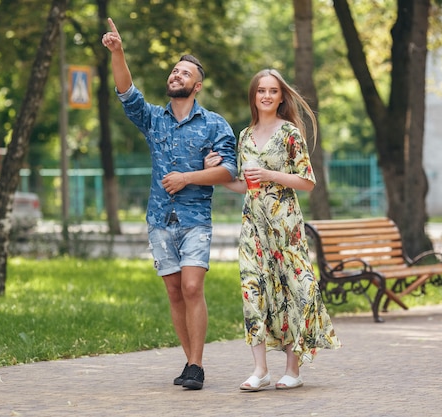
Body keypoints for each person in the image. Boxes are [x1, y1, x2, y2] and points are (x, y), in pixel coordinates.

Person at [101, 18, 238, 390]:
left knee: (193, 287)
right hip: (160, 219)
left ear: (197, 85)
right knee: (175, 291)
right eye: (175, 70)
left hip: (195, 219)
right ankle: (188, 361)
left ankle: (196, 364)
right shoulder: (153, 119)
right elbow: (127, 92)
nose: (177, 75)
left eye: (185, 72)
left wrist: (188, 177)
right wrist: (118, 52)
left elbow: (229, 172)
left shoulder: (214, 125)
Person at [205, 69, 341, 391]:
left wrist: (269, 173)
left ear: (281, 97)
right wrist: (219, 174)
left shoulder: (290, 133)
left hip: (286, 227)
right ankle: (260, 370)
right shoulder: (244, 136)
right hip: (254, 226)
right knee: (253, 292)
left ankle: (292, 370)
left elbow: (307, 182)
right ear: (254, 96)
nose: (266, 95)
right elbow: (243, 185)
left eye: (273, 91)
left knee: (297, 290)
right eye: (261, 90)